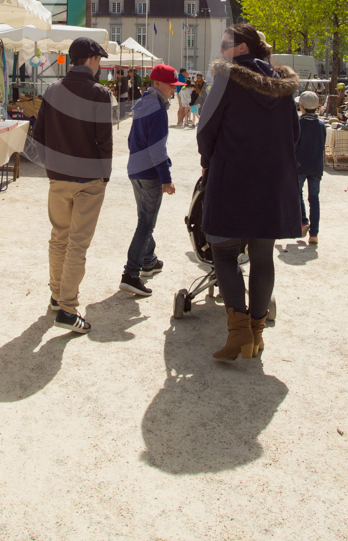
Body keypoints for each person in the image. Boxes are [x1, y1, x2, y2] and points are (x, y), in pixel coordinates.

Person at [198, 23, 301, 361]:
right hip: (272, 183)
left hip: (232, 178)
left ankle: (239, 332)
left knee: (224, 253)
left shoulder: (226, 81)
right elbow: (294, 136)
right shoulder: (284, 89)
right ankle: (256, 336)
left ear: (242, 48)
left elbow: (206, 131)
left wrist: (210, 160)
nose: (221, 48)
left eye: (226, 43)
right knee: (262, 256)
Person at [28, 37, 113, 334]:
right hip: (89, 178)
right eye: (99, 59)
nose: (100, 64)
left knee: (59, 238)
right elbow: (104, 139)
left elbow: (37, 136)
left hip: (59, 177)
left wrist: (51, 165)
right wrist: (105, 175)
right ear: (91, 59)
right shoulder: (99, 94)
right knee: (77, 244)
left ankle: (56, 296)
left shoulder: (52, 90)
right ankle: (67, 307)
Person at [120, 63, 179, 296]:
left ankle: (148, 260)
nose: (174, 89)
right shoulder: (157, 108)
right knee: (146, 223)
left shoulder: (144, 102)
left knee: (144, 218)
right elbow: (157, 149)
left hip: (136, 169)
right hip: (150, 172)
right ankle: (130, 274)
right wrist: (166, 178)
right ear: (157, 84)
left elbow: (131, 140)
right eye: (171, 85)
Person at [295, 90, 326, 245]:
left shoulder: (298, 124)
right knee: (314, 199)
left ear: (302, 107)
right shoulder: (321, 126)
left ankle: (302, 221)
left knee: (297, 193)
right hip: (316, 166)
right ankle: (314, 233)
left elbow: (293, 145)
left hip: (300, 165)